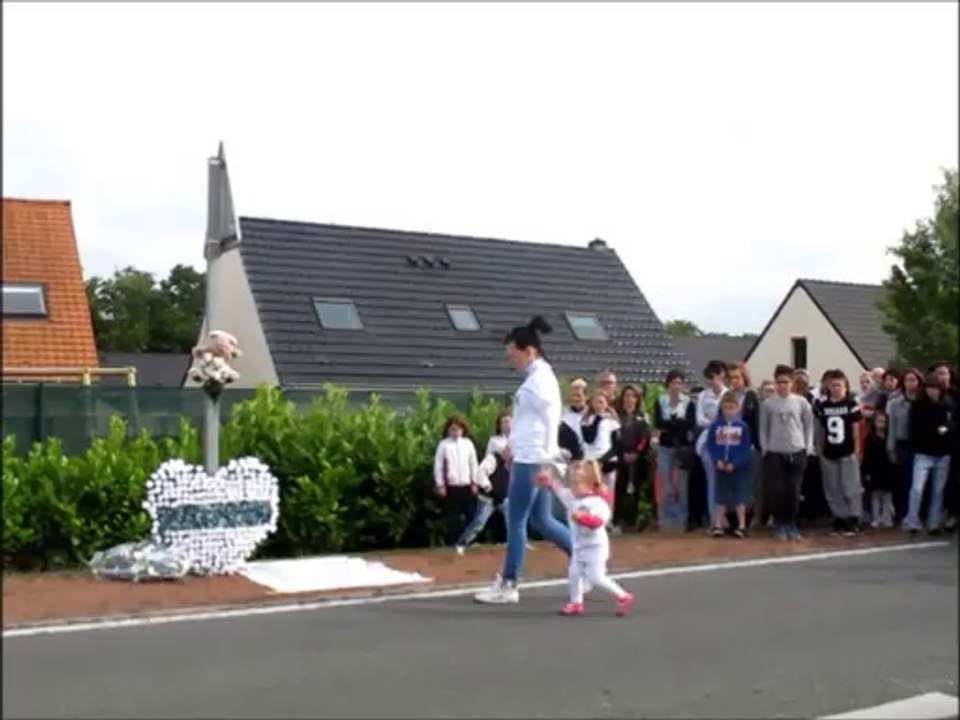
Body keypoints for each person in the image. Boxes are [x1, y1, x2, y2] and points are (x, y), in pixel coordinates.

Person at [474, 316, 573, 605]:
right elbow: (529, 421)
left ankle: (509, 583)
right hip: (535, 456)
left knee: (516, 521)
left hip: (532, 458)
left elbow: (550, 417)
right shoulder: (540, 377)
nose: (511, 359)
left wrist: (542, 454)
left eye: (513, 354)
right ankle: (585, 563)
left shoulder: (539, 380)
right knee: (542, 519)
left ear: (529, 351)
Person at [536, 459, 635, 617]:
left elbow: (598, 522)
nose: (573, 488)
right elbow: (559, 490)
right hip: (579, 546)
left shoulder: (597, 504)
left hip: (595, 547)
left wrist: (582, 519)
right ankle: (576, 603)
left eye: (577, 485)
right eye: (572, 484)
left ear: (589, 485)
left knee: (596, 577)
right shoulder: (572, 499)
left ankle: (623, 596)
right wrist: (548, 481)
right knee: (574, 573)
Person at [759, 364, 815, 541]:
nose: (782, 385)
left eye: (786, 382)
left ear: (792, 383)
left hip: (796, 450)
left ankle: (792, 524)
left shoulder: (801, 402)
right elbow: (763, 428)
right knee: (778, 491)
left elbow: (809, 426)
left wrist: (807, 447)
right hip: (775, 452)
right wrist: (765, 447)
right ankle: (779, 524)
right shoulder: (768, 404)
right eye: (779, 382)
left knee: (793, 491)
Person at [902, 373, 954, 536]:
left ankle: (933, 523)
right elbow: (913, 429)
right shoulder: (918, 406)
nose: (933, 392)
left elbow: (953, 424)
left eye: (936, 389)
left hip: (942, 453)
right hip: (923, 453)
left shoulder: (947, 404)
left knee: (937, 491)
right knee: (917, 489)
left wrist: (947, 428)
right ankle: (912, 521)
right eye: (930, 388)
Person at [815, 370, 864, 537]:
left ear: (845, 387)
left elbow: (855, 430)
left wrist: (857, 450)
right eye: (833, 385)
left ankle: (854, 518)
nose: (836, 388)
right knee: (832, 488)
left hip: (847, 450)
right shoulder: (823, 406)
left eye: (839, 385)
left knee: (850, 487)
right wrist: (820, 450)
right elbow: (821, 430)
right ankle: (839, 518)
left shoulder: (851, 405)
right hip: (829, 451)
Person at [454, 412, 511, 554]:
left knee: (513, 520)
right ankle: (462, 543)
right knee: (479, 523)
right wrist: (489, 489)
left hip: (503, 496)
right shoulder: (492, 458)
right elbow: (480, 473)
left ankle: (516, 543)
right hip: (488, 497)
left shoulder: (512, 466)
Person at [653, 369, 697, 532]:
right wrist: (676, 422)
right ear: (668, 384)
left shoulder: (688, 403)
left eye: (679, 383)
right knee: (666, 483)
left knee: (681, 485)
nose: (676, 386)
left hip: (682, 447)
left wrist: (670, 423)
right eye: (673, 383)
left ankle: (681, 519)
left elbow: (689, 423)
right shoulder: (661, 401)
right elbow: (658, 423)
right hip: (665, 447)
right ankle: (664, 519)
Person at [705, 391, 753, 538]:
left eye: (732, 407)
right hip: (721, 465)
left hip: (738, 468)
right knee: (721, 496)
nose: (728, 410)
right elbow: (710, 445)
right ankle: (718, 524)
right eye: (726, 407)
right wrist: (717, 459)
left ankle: (742, 525)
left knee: (740, 496)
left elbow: (744, 447)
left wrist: (735, 462)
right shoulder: (716, 426)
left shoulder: (742, 426)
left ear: (737, 408)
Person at [433, 416, 480, 549]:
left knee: (471, 515)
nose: (455, 432)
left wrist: (475, 482)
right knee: (453, 518)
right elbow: (438, 465)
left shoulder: (468, 443)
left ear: (463, 430)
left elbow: (473, 464)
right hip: (452, 487)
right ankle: (454, 543)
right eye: (453, 429)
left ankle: (469, 541)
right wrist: (440, 484)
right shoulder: (444, 445)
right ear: (448, 430)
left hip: (467, 485)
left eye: (458, 429)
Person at [695, 360, 729, 530]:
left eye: (713, 377)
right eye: (708, 378)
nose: (710, 381)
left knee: (726, 481)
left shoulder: (728, 395)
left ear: (721, 375)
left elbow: (729, 418)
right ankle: (714, 521)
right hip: (707, 443)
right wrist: (715, 422)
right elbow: (700, 420)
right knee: (712, 481)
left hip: (726, 443)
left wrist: (713, 421)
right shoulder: (703, 396)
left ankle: (725, 519)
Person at [885, 368, 922, 524]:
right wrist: (891, 448)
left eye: (913, 380)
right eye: (907, 380)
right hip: (901, 443)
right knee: (901, 481)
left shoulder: (922, 402)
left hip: (919, 444)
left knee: (917, 482)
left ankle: (917, 514)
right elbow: (891, 427)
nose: (910, 383)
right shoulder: (895, 403)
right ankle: (901, 513)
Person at [613, 384, 651, 533]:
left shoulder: (642, 417)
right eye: (627, 395)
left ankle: (631, 520)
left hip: (637, 459)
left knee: (634, 489)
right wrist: (623, 453)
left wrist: (637, 452)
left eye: (633, 396)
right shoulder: (616, 416)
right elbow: (614, 437)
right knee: (619, 488)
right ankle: (618, 519)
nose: (629, 399)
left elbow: (644, 437)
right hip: (620, 457)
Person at [580, 389, 621, 500]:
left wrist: (602, 461)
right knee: (591, 495)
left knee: (607, 495)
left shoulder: (612, 421)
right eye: (596, 402)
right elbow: (589, 438)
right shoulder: (586, 420)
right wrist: (598, 419)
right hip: (590, 461)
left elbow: (617, 444)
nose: (599, 405)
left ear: (607, 403)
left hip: (607, 461)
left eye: (601, 402)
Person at [862, 412, 895, 528]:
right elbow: (867, 457)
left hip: (887, 469)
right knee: (875, 495)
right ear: (874, 423)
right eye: (879, 422)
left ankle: (887, 518)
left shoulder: (889, 438)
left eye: (884, 422)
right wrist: (867, 472)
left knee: (887, 495)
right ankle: (876, 518)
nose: (882, 424)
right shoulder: (870, 439)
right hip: (875, 469)